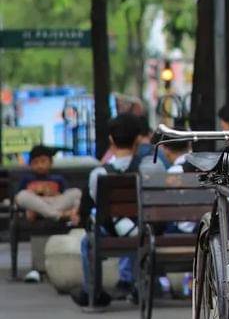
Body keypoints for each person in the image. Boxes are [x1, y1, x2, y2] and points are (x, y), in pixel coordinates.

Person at [75, 113, 143, 308]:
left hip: (110, 234)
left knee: (87, 242)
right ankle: (143, 286)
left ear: (111, 139)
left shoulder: (99, 174)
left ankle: (92, 292)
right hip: (144, 232)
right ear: (137, 138)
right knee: (140, 227)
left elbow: (94, 205)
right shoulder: (151, 168)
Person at [13, 145, 82, 283]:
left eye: (43, 161)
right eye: (36, 162)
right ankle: (58, 215)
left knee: (76, 192)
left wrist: (54, 195)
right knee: (22, 196)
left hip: (54, 203)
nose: (40, 165)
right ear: (30, 164)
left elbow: (66, 196)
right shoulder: (27, 180)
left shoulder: (58, 179)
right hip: (36, 203)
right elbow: (20, 199)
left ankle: (52, 213)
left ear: (50, 162)